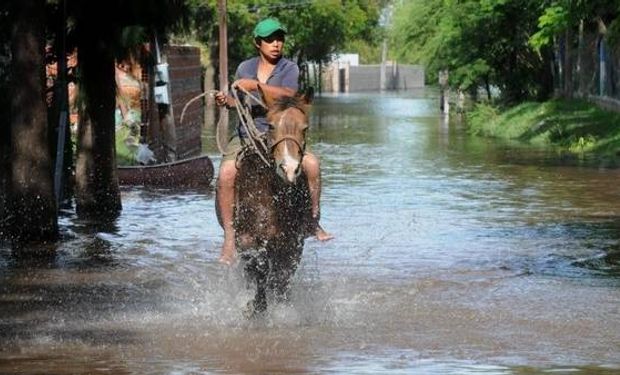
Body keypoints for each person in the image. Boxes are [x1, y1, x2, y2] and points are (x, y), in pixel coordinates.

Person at [214, 18, 333, 266]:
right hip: (249, 134)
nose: (276, 44)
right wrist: (229, 101)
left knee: (312, 165)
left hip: (283, 134)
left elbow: (290, 96)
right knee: (226, 173)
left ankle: (312, 221)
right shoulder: (244, 68)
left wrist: (256, 85)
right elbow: (244, 102)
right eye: (269, 39)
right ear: (258, 43)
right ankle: (229, 236)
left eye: (279, 38)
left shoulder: (289, 69)